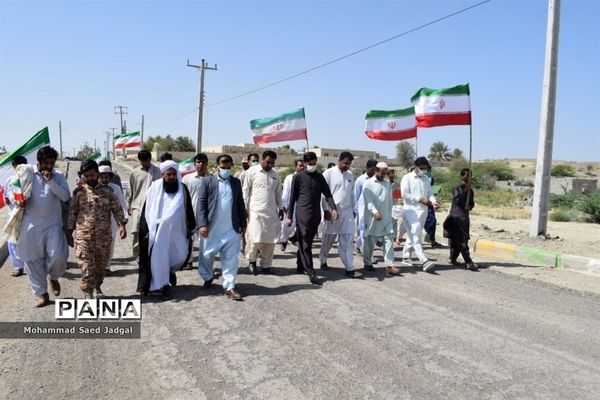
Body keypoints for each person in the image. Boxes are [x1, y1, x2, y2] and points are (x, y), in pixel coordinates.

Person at [16, 146, 70, 307]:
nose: (50, 166)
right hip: (30, 223)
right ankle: (41, 293)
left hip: (53, 223)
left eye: (52, 163)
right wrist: (19, 199)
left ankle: (53, 277)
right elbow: (15, 188)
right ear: (39, 162)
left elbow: (65, 196)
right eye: (47, 163)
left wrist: (50, 181)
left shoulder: (58, 176)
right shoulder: (27, 173)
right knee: (32, 259)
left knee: (59, 256)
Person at [67, 160, 127, 298]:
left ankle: (97, 286)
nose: (89, 179)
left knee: (100, 266)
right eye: (86, 176)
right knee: (87, 266)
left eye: (92, 175)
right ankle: (88, 293)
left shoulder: (108, 192)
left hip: (103, 236)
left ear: (97, 174)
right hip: (84, 236)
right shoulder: (78, 193)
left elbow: (117, 209)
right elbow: (72, 213)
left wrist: (122, 225)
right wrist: (69, 232)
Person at [137, 160, 196, 297]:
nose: (171, 177)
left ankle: (169, 271)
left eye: (174, 174)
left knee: (181, 254)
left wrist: (192, 226)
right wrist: (145, 229)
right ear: (163, 174)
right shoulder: (154, 187)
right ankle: (160, 284)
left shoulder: (182, 188)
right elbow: (147, 209)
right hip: (159, 231)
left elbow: (188, 208)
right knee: (159, 257)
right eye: (168, 174)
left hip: (178, 230)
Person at [197, 154, 247, 300]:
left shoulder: (236, 182)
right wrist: (202, 224)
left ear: (232, 166)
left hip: (231, 227)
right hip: (212, 228)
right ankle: (207, 276)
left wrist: (243, 224)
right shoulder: (208, 181)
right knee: (206, 255)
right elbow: (201, 204)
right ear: (217, 166)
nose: (225, 169)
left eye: (228, 167)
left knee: (231, 258)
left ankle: (229, 286)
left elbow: (240, 204)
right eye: (223, 167)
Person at [287, 152, 337, 285]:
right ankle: (311, 273)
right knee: (306, 244)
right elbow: (292, 199)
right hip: (302, 214)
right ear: (304, 163)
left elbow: (328, 194)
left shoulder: (320, 177)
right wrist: (289, 216)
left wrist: (333, 208)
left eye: (314, 163)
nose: (312, 166)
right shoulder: (297, 177)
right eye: (310, 164)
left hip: (315, 215)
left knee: (306, 241)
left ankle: (300, 265)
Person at [319, 152, 360, 277]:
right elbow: (323, 194)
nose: (347, 166)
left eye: (349, 164)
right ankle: (323, 259)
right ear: (339, 160)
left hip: (347, 211)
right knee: (328, 239)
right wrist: (326, 210)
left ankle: (349, 267)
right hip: (332, 211)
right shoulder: (328, 173)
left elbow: (352, 194)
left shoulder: (350, 175)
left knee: (347, 238)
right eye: (345, 163)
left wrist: (353, 210)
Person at [243, 150, 283, 275]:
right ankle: (252, 261)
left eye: (272, 163)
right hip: (255, 212)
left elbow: (278, 193)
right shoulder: (252, 172)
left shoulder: (275, 175)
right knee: (255, 239)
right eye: (268, 162)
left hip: (271, 213)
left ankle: (266, 264)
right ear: (262, 160)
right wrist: (244, 208)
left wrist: (280, 207)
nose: (270, 165)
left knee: (270, 241)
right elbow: (245, 191)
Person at [400, 157, 439, 272]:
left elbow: (430, 193)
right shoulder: (407, 178)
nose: (423, 170)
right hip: (410, 211)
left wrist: (433, 201)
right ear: (415, 166)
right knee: (416, 236)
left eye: (425, 168)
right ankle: (424, 261)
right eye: (421, 168)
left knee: (414, 233)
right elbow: (404, 194)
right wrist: (419, 199)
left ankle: (406, 257)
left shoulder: (426, 178)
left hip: (423, 211)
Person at [362, 162, 400, 276]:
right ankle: (367, 262)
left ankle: (389, 265)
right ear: (376, 170)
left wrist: (392, 178)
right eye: (382, 173)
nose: (383, 175)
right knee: (370, 242)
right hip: (374, 218)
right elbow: (368, 201)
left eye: (385, 173)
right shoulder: (368, 184)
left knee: (389, 240)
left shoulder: (387, 183)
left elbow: (393, 189)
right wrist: (374, 212)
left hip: (386, 218)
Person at [128, 150, 161, 257]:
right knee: (136, 229)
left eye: (147, 160)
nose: (145, 163)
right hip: (137, 205)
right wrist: (129, 205)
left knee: (151, 230)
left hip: (153, 206)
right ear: (140, 161)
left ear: (150, 159)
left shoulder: (157, 171)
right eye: (143, 161)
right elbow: (131, 190)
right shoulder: (135, 172)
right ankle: (137, 253)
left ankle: (150, 252)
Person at [98, 165, 129, 276]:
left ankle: (107, 267)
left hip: (112, 219)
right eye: (102, 177)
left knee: (110, 244)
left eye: (106, 177)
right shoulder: (95, 188)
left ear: (110, 177)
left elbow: (122, 202)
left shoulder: (115, 188)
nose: (104, 179)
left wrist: (123, 220)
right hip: (98, 221)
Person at [446, 168, 478, 270]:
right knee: (462, 239)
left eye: (470, 176)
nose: (469, 178)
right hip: (456, 217)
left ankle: (453, 258)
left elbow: (471, 203)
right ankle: (468, 262)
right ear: (462, 176)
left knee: (457, 240)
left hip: (465, 217)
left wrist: (470, 206)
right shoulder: (457, 188)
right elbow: (458, 201)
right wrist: (465, 190)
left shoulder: (470, 190)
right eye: (467, 175)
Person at [182, 153, 209, 269]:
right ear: (194, 164)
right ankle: (188, 260)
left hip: (206, 214)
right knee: (189, 238)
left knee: (206, 240)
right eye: (198, 162)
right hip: (190, 212)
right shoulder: (187, 178)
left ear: (207, 164)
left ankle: (205, 263)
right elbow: (182, 196)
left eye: (203, 162)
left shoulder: (212, 179)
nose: (201, 164)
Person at [3, 156, 27, 277]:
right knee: (12, 241)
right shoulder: (11, 180)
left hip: (28, 215)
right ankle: (18, 267)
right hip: (14, 214)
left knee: (30, 241)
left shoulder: (30, 179)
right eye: (16, 167)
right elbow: (7, 198)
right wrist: (9, 199)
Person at [353, 159, 378, 253]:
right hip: (362, 207)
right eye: (372, 170)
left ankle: (357, 245)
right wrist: (355, 211)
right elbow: (356, 195)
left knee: (370, 229)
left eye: (375, 170)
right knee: (364, 228)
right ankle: (368, 255)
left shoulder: (377, 179)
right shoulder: (360, 180)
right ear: (367, 168)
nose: (373, 172)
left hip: (373, 207)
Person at [279, 159, 304, 251]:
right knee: (287, 225)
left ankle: (295, 239)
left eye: (303, 166)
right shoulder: (290, 177)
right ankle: (284, 241)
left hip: (302, 206)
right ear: (295, 166)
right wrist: (285, 205)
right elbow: (286, 192)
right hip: (291, 206)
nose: (302, 167)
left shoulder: (306, 177)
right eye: (300, 166)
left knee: (300, 225)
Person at [424, 164, 441, 248]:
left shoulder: (430, 179)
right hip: (420, 203)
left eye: (429, 170)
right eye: (426, 170)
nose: (427, 172)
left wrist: (434, 201)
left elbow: (431, 191)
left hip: (429, 203)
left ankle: (432, 239)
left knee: (432, 221)